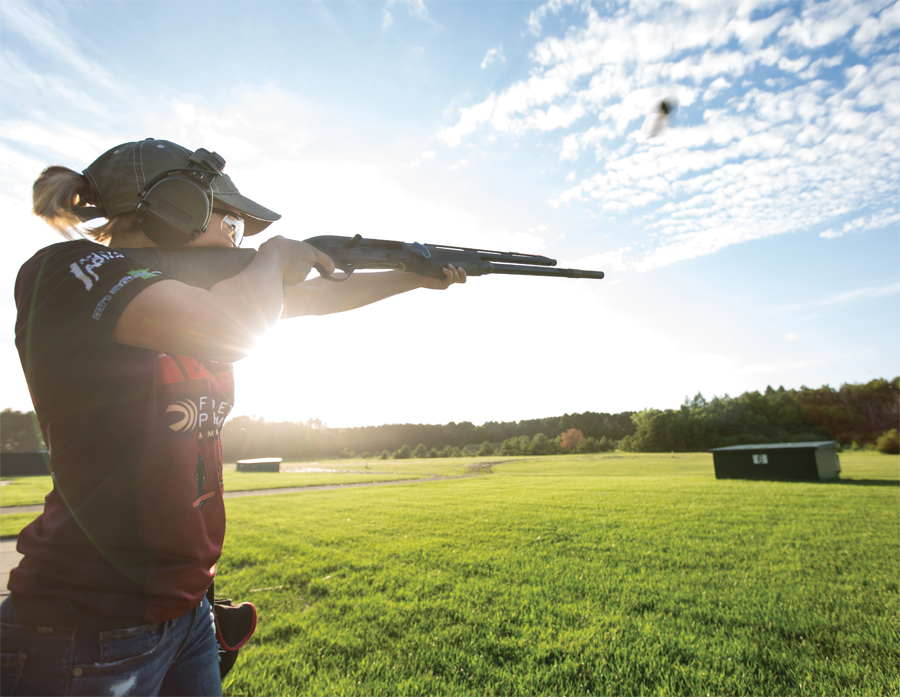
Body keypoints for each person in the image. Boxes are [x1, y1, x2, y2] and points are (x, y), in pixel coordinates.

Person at [0, 138, 466, 697]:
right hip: (90, 621)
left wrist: (413, 275)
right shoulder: (68, 268)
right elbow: (226, 326)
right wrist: (273, 260)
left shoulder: (204, 284)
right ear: (176, 206)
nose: (238, 238)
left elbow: (311, 301)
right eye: (231, 220)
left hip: (186, 609)